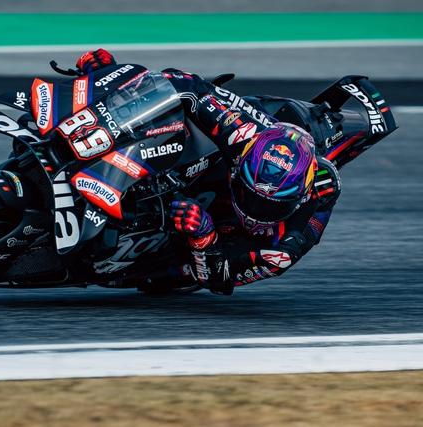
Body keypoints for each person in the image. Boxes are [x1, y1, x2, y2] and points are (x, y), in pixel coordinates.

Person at [75, 49, 341, 295]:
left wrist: (204, 236)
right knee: (174, 117)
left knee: (170, 275)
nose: (255, 210)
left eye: (270, 206)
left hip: (218, 242)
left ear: (298, 198)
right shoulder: (242, 135)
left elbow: (220, 281)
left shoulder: (285, 247)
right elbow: (183, 84)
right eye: (250, 196)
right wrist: (110, 78)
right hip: (241, 143)